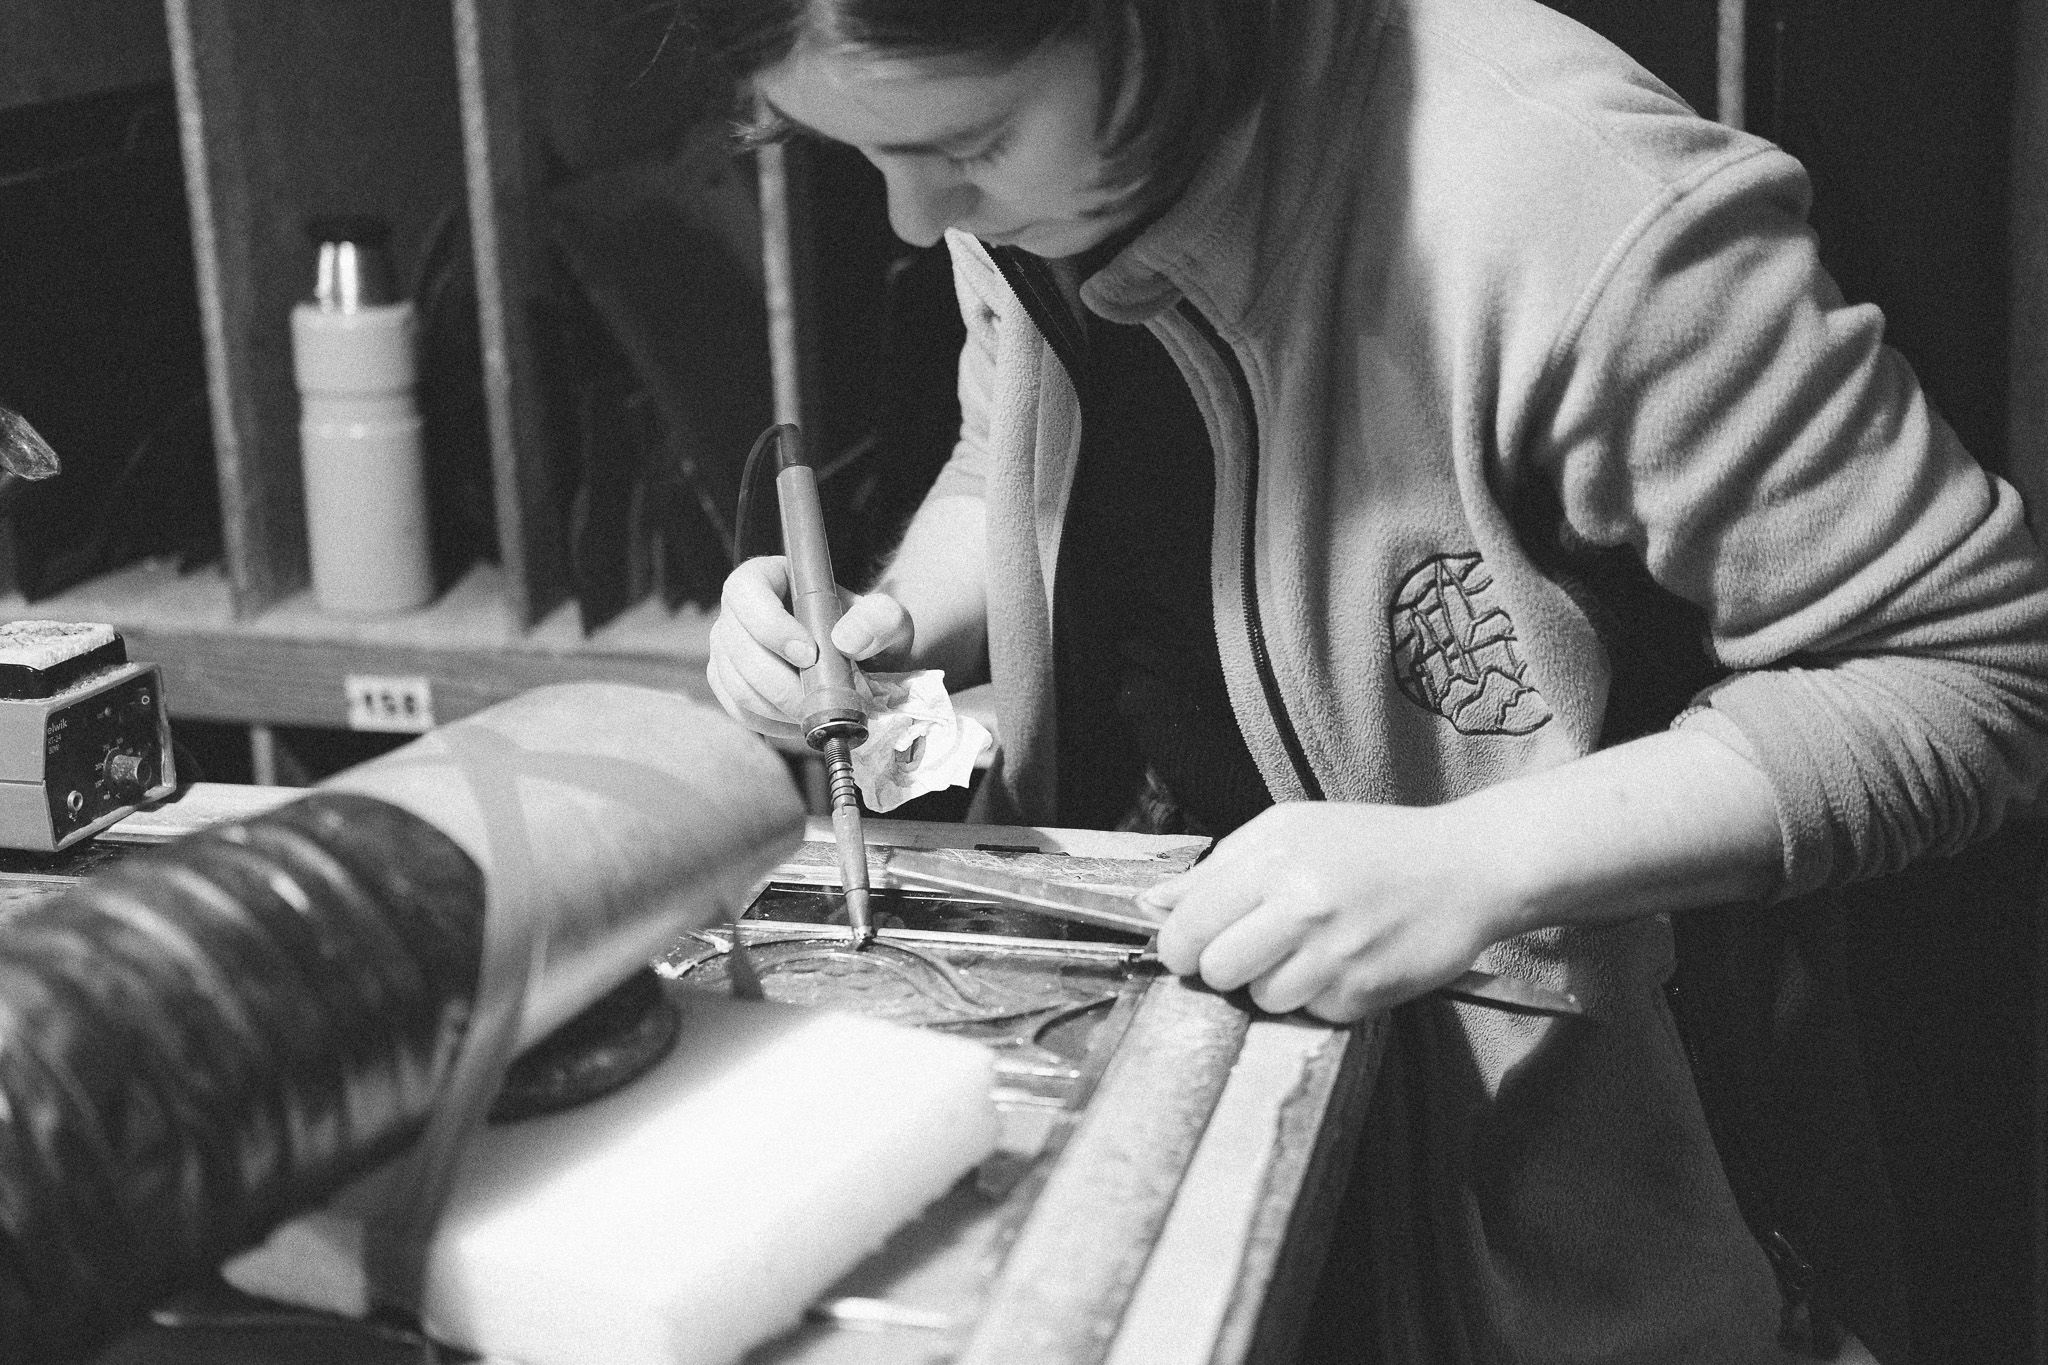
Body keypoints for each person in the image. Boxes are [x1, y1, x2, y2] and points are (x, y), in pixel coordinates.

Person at [695, 0, 2048, 1359]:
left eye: (968, 144)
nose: (915, 221)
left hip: (1563, 1180)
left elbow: (1974, 672)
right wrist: (878, 622)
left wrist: (1472, 865)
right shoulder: (1043, 175)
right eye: (854, 152)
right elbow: (1007, 457)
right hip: (1202, 1035)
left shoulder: (1575, 205)